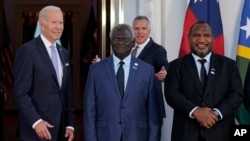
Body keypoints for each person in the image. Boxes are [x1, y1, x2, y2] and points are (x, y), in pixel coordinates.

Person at [164, 21, 243, 141]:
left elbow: (237, 94)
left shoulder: (229, 65)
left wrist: (216, 113)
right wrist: (196, 111)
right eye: (196, 35)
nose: (201, 40)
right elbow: (171, 94)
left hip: (220, 133)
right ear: (189, 38)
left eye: (206, 36)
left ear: (213, 39)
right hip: (186, 134)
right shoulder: (175, 66)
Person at [83, 24, 162, 141]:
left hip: (137, 135)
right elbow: (89, 110)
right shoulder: (95, 70)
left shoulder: (147, 70)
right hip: (106, 135)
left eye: (124, 39)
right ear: (110, 42)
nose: (120, 42)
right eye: (116, 39)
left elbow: (154, 113)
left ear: (132, 42)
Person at [13, 5, 75, 141]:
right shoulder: (27, 51)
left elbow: (67, 92)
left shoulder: (64, 53)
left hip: (60, 131)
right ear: (42, 25)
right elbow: (20, 92)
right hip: (35, 131)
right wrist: (36, 121)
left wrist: (70, 124)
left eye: (61, 22)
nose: (59, 27)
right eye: (54, 22)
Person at [132, 15, 168, 120]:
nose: (140, 32)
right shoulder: (126, 48)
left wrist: (164, 72)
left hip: (149, 109)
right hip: (129, 109)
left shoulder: (157, 50)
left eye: (143, 29)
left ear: (149, 31)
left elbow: (163, 64)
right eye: (137, 29)